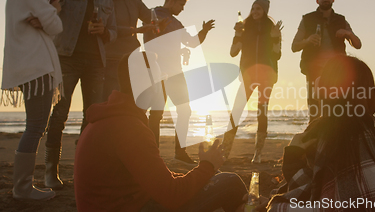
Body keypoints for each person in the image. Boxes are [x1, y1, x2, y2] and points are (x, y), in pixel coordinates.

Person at [74, 53, 247, 212]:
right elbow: (172, 195)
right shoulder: (129, 128)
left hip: (127, 203)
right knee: (229, 183)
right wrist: (207, 166)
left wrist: (204, 170)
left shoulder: (114, 117)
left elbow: (157, 180)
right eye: (160, 79)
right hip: (131, 207)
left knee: (214, 178)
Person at [264, 55, 375, 211]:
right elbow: (317, 188)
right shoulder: (371, 134)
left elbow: (318, 201)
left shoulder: (335, 132)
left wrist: (293, 158)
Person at [44, 0, 117, 189]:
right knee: (59, 113)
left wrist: (104, 31)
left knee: (92, 117)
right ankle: (50, 171)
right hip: (66, 58)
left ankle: (83, 170)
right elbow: (48, 10)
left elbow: (113, 32)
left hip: (96, 62)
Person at [2, 0, 63, 200]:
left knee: (35, 125)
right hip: (37, 68)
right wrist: (54, 10)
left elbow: (44, 23)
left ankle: (23, 187)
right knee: (36, 126)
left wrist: (44, 15)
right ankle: (23, 189)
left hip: (28, 68)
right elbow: (56, 26)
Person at [143, 0, 215, 164]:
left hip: (176, 72)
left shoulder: (176, 23)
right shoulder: (152, 15)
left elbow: (192, 42)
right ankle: (153, 154)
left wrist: (204, 30)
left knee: (184, 110)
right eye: (181, 4)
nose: (182, 8)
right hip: (158, 71)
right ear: (172, 0)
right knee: (157, 113)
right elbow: (150, 41)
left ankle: (180, 152)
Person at [222, 0, 282, 163]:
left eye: (259, 9)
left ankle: (258, 153)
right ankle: (225, 150)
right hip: (248, 75)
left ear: (265, 11)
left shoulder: (272, 29)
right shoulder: (244, 27)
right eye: (253, 8)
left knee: (261, 113)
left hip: (266, 76)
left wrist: (276, 38)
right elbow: (233, 52)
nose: (255, 11)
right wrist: (238, 34)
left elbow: (277, 55)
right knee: (236, 111)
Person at [291, 0, 362, 122]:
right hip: (314, 70)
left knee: (336, 108)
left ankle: (333, 140)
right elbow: (294, 46)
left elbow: (358, 44)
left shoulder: (341, 20)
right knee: (315, 109)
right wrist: (308, 40)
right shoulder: (307, 19)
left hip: (336, 70)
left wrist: (347, 33)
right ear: (317, 1)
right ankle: (316, 140)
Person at [102, 0, 154, 100]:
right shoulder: (102, 0)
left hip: (132, 60)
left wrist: (160, 23)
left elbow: (151, 18)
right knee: (109, 100)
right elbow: (105, 28)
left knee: (134, 101)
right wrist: (135, 30)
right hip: (109, 60)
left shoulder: (135, 3)